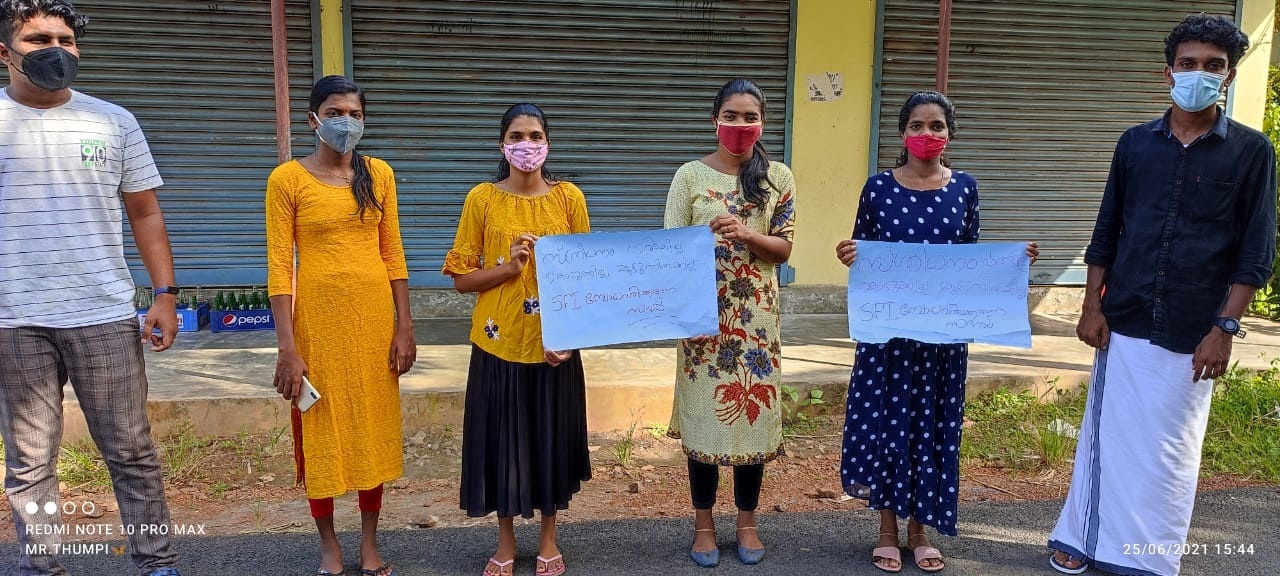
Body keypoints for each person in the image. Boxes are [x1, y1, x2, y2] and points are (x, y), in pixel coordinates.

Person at [1047, 13, 1275, 576]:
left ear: (1228, 76)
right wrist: (1091, 305)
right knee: (1106, 437)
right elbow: (1108, 229)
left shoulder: (1250, 151)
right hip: (1123, 318)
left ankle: (1149, 557)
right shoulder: (1135, 143)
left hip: (1195, 325)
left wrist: (1224, 329)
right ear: (1167, 72)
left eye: (1213, 67)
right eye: (1188, 64)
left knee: (1170, 451)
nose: (1199, 73)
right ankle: (1081, 539)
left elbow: (1255, 249)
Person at [0, 1, 185, 574]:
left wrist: (165, 294)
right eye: (37, 38)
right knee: (30, 460)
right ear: (4, 52)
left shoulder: (113, 121)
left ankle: (156, 562)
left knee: (131, 452)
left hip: (102, 311)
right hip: (13, 319)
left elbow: (146, 213)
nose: (56, 48)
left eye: (66, 38)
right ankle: (42, 566)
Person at [834, 91, 1038, 573]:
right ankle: (886, 529)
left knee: (929, 429)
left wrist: (1011, 263)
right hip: (889, 339)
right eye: (919, 126)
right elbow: (866, 250)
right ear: (903, 134)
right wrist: (850, 256)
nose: (929, 135)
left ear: (950, 134)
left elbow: (968, 259)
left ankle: (920, 530)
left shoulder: (965, 188)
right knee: (887, 426)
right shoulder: (878, 188)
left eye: (938, 126)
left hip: (942, 342)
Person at [266, 75, 414, 576]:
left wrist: (405, 326)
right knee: (322, 429)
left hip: (374, 323)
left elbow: (393, 253)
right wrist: (287, 347)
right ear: (313, 119)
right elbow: (279, 267)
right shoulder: (287, 180)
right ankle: (329, 545)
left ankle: (369, 543)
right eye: (335, 113)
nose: (345, 122)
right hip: (317, 326)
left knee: (372, 428)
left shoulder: (380, 175)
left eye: (354, 114)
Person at [445, 103, 592, 576]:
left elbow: (585, 275)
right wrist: (509, 267)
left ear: (547, 142)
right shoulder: (482, 199)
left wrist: (570, 338)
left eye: (534, 135)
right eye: (516, 135)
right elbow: (462, 279)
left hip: (555, 346)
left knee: (549, 439)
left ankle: (549, 538)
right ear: (501, 144)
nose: (526, 145)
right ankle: (505, 542)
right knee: (502, 444)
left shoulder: (569, 198)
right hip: (497, 343)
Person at [664, 78, 796, 568]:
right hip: (702, 322)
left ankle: (746, 523)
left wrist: (744, 233)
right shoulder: (689, 177)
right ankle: (703, 526)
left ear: (762, 123)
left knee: (752, 424)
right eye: (731, 115)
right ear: (714, 119)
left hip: (757, 325)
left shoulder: (778, 176)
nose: (740, 125)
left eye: (750, 116)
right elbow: (669, 252)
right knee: (704, 424)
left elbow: (784, 248)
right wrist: (685, 311)